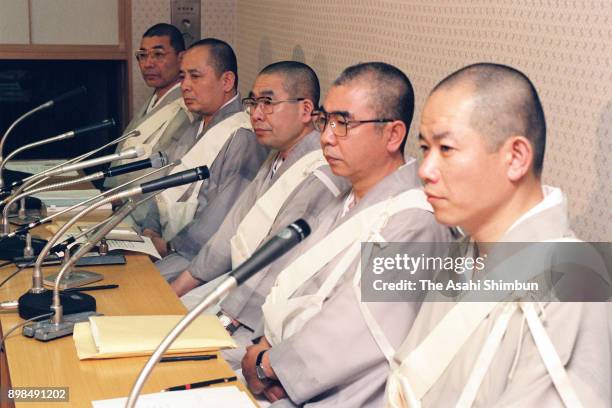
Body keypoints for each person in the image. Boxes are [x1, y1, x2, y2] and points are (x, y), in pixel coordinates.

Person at [383, 63, 611, 407]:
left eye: (445, 149)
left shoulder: (574, 281)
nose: (426, 170)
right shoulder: (464, 251)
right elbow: (408, 378)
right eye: (425, 149)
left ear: (516, 157)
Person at [240, 62, 452, 406]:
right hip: (278, 364)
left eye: (344, 124)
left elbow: (354, 330)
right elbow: (299, 283)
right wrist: (265, 349)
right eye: (326, 121)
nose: (326, 136)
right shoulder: (346, 197)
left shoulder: (416, 221)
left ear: (393, 135)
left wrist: (270, 366)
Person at [167, 62, 348, 356]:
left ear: (305, 111)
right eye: (253, 103)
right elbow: (231, 231)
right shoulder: (276, 157)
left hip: (258, 315)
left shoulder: (318, 171)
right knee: (164, 314)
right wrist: (180, 288)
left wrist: (225, 319)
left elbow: (276, 264)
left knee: (178, 350)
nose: (256, 114)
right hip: (233, 286)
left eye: (268, 102)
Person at [139, 38, 268, 259]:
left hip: (194, 256)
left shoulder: (242, 137)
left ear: (227, 81)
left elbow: (220, 222)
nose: (185, 85)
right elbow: (161, 183)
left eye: (195, 76)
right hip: (161, 244)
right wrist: (150, 230)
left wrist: (169, 247)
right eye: (183, 76)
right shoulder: (195, 125)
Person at [105, 23, 192, 190]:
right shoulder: (154, 100)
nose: (148, 64)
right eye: (143, 55)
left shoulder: (185, 106)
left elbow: (163, 165)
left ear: (181, 58)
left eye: (158, 54)